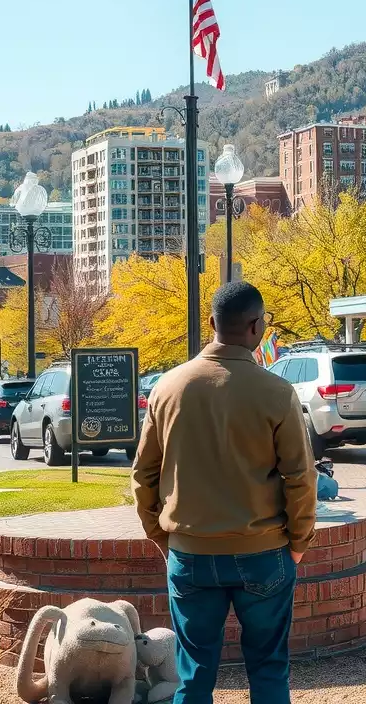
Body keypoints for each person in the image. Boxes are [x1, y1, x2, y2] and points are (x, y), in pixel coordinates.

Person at [132, 281, 317, 704]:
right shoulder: (276, 392)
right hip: (265, 551)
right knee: (269, 670)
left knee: (193, 675)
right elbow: (301, 478)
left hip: (191, 551)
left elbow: (144, 474)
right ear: (258, 327)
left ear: (211, 323)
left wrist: (161, 536)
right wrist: (299, 543)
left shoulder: (167, 388)